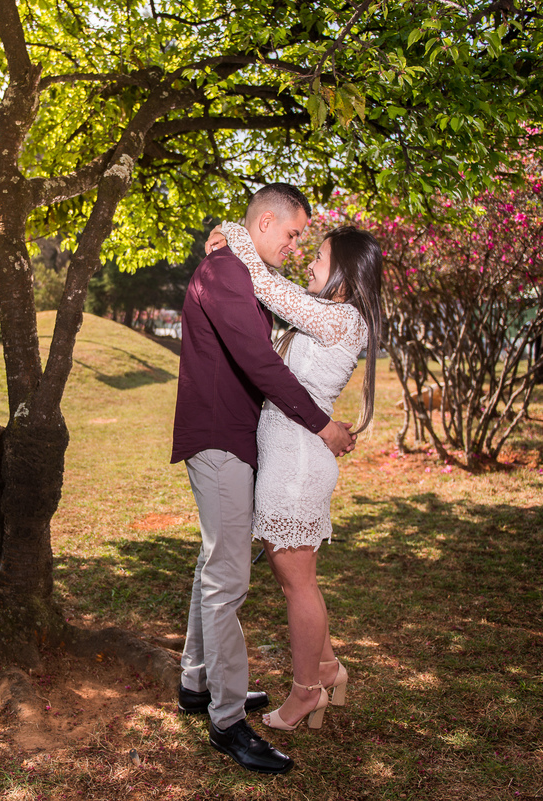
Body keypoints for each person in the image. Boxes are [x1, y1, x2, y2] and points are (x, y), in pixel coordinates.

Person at [171, 183, 357, 775]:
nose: (297, 245)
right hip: (223, 439)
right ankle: (227, 721)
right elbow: (259, 362)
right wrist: (322, 424)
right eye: (294, 233)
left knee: (214, 567)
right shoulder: (227, 270)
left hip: (231, 438)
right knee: (228, 581)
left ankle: (198, 685)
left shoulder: (234, 267)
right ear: (267, 222)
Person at [208, 219, 383, 733]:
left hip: (298, 461)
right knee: (291, 580)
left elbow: (265, 285)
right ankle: (327, 667)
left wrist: (230, 231)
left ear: (345, 276)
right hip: (290, 454)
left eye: (320, 259)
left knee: (299, 585)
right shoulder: (331, 315)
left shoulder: (345, 319)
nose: (309, 262)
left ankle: (308, 691)